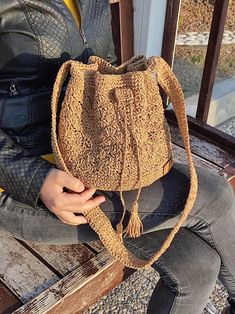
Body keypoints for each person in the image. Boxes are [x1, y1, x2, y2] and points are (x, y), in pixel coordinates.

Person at [0, 1, 234, 313]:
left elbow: (99, 64)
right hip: (27, 190)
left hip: (95, 162)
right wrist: (33, 177)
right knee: (214, 195)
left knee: (196, 266)